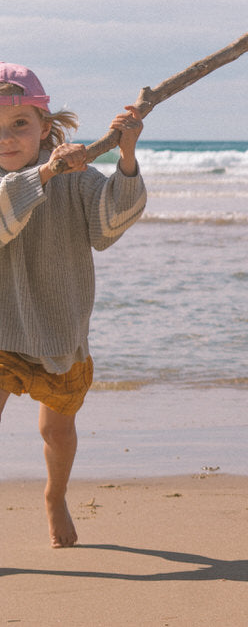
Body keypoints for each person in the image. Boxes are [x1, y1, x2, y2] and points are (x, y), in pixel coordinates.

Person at [0, 62, 147, 548]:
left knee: (57, 432)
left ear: (45, 126)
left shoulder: (75, 176)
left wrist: (126, 156)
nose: (6, 138)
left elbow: (109, 226)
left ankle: (55, 495)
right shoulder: (48, 170)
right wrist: (46, 171)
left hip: (58, 328)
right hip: (1, 327)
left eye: (20, 123)